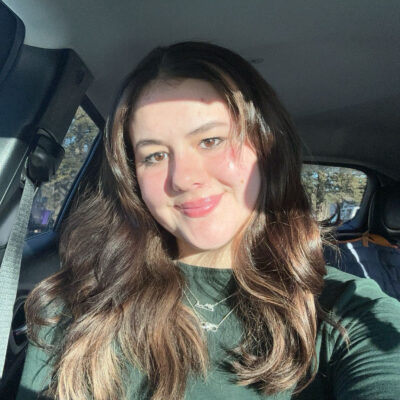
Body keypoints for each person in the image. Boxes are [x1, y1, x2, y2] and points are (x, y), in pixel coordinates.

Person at [17, 42, 400, 400]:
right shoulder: (78, 304)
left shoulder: (348, 312)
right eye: (154, 156)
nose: (183, 178)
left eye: (211, 141)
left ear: (267, 149)